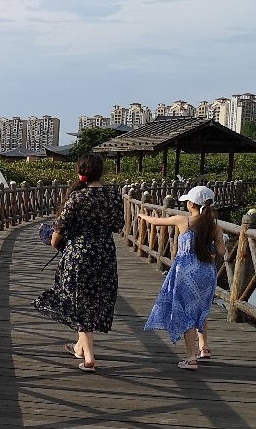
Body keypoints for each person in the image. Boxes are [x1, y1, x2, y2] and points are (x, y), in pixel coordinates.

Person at [33, 153, 123, 372]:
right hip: (105, 253)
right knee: (94, 298)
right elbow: (118, 224)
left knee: (78, 301)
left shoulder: (77, 198)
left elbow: (57, 234)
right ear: (101, 172)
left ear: (80, 171)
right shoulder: (113, 195)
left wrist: (56, 242)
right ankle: (80, 348)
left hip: (79, 254)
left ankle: (89, 357)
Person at [140, 185, 226, 370]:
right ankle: (204, 348)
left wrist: (142, 215)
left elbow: (156, 222)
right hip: (206, 272)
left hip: (186, 272)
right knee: (200, 308)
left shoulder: (183, 221)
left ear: (192, 204)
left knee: (187, 312)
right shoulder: (214, 227)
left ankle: (191, 358)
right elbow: (221, 251)